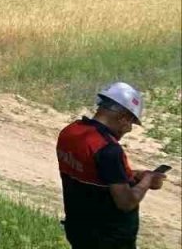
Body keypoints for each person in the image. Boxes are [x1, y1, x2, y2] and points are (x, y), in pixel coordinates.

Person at [56, 82, 167, 249]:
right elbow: (126, 202)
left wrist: (135, 175)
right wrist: (148, 180)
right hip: (108, 238)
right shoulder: (108, 149)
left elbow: (95, 171)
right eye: (131, 123)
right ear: (123, 118)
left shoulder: (71, 132)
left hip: (79, 230)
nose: (129, 129)